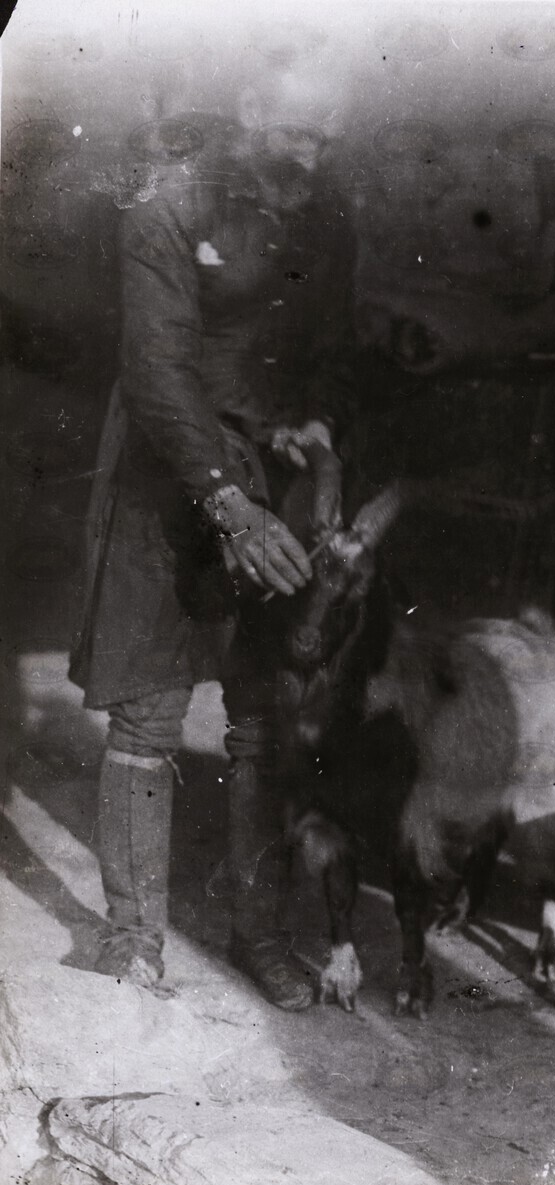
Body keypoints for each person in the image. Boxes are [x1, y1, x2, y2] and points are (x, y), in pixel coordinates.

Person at [69, 90, 358, 1008]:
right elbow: (156, 369)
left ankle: (260, 934)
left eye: (324, 138)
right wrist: (229, 506)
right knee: (149, 715)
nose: (308, 155)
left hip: (269, 469)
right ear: (249, 110)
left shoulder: (324, 217)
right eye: (294, 131)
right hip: (168, 470)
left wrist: (313, 427)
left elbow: (329, 345)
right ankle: (132, 938)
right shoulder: (168, 200)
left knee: (263, 716)